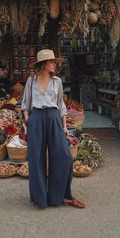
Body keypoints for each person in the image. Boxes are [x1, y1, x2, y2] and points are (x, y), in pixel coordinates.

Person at [21, 49, 86, 209]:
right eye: (52, 62)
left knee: (64, 157)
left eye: (55, 62)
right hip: (36, 118)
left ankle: (58, 196)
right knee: (36, 160)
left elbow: (60, 104)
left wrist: (64, 125)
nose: (55, 65)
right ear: (43, 65)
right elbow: (25, 104)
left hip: (53, 118)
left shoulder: (57, 81)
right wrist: (28, 120)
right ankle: (40, 198)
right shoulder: (31, 81)